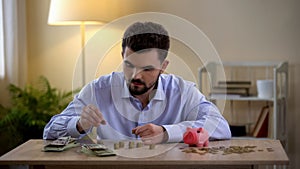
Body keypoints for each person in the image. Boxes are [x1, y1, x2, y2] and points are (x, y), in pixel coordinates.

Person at [43, 21, 231, 144]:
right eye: (129, 65)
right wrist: (79, 124)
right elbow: (50, 131)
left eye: (147, 69)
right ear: (122, 56)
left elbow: (219, 126)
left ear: (163, 66)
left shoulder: (183, 91)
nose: (136, 76)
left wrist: (166, 133)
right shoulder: (98, 89)